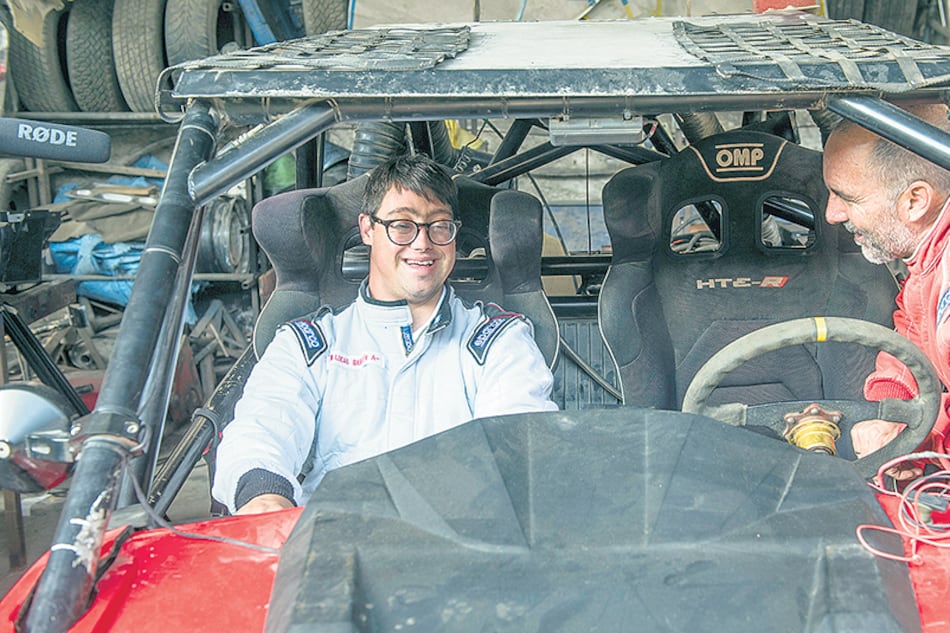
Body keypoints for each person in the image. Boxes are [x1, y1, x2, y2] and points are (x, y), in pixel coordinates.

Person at [212, 154, 558, 514]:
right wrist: (264, 497)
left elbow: (520, 439)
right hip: (333, 547)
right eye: (402, 225)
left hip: (463, 546)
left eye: (438, 226)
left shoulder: (499, 340)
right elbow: (261, 431)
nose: (423, 243)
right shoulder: (307, 344)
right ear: (367, 229)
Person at [823, 102, 950, 479]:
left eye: (848, 197)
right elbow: (910, 334)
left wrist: (919, 434)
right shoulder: (929, 257)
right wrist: (891, 408)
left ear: (915, 201)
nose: (832, 214)